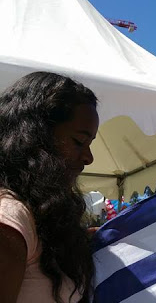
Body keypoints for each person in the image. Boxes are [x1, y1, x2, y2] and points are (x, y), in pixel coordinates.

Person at [0, 72, 99, 303]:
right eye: (78, 141)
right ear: (36, 137)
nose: (89, 157)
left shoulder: (33, 219)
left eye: (90, 144)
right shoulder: (10, 221)